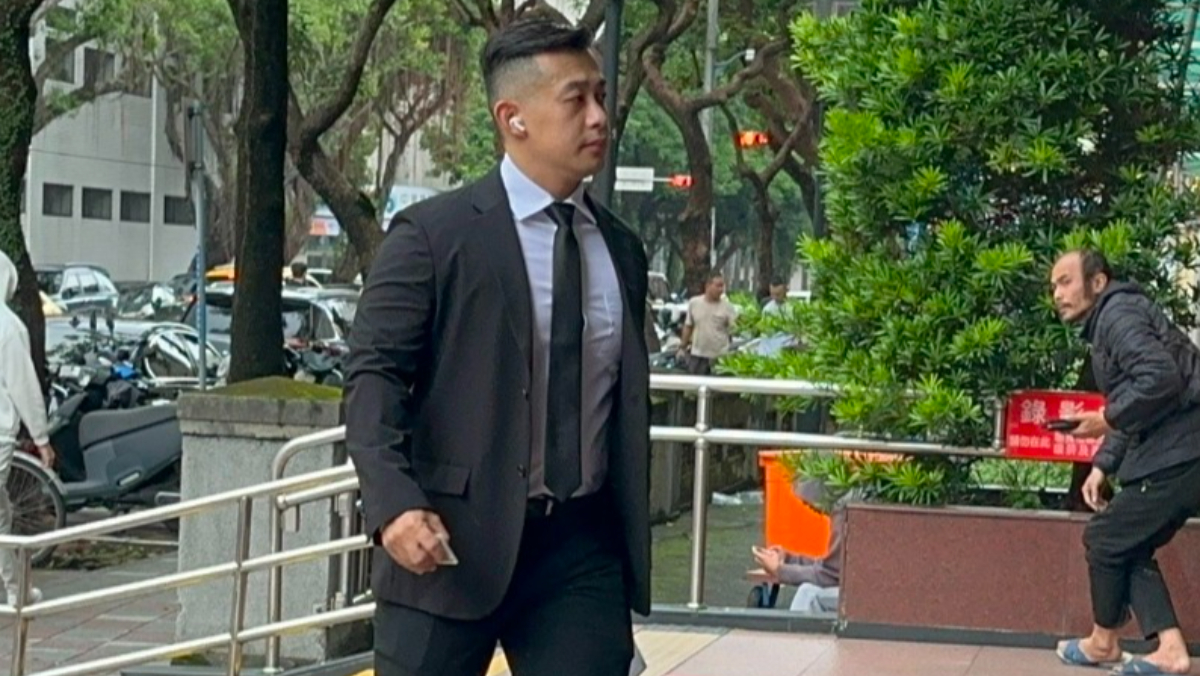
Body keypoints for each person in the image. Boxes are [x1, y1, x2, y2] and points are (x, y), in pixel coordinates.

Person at [344, 18, 650, 676]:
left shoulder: (621, 249)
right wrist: (394, 504)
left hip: (579, 551)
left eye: (601, 96)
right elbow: (373, 377)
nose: (599, 117)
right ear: (513, 118)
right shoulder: (433, 236)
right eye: (576, 100)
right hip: (448, 542)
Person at [1050, 249, 1200, 675]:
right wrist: (1103, 465)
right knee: (1125, 542)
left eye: (1065, 281)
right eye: (1053, 286)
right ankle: (1164, 648)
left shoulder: (1118, 315)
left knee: (1105, 536)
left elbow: (1159, 379)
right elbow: (1136, 401)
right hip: (1176, 450)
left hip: (1181, 450)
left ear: (1097, 282)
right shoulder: (1112, 320)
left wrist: (1105, 419)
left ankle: (1106, 643)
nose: (1057, 294)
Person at [0, 251, 55, 605]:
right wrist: (41, 438)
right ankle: (16, 590)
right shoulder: (8, 327)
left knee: (1, 514)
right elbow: (24, 386)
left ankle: (16, 589)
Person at [749, 478, 844, 613]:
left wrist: (779, 571)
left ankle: (793, 627)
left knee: (808, 594)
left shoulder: (843, 517)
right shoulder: (845, 510)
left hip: (862, 596)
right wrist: (788, 558)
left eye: (808, 502)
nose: (808, 507)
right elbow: (833, 567)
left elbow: (828, 576)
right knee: (808, 592)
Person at [678, 271, 738, 374]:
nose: (721, 290)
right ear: (708, 286)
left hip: (719, 357)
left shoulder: (728, 307)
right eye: (718, 286)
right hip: (698, 356)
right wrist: (682, 347)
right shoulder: (694, 303)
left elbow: (734, 329)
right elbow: (688, 326)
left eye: (722, 286)